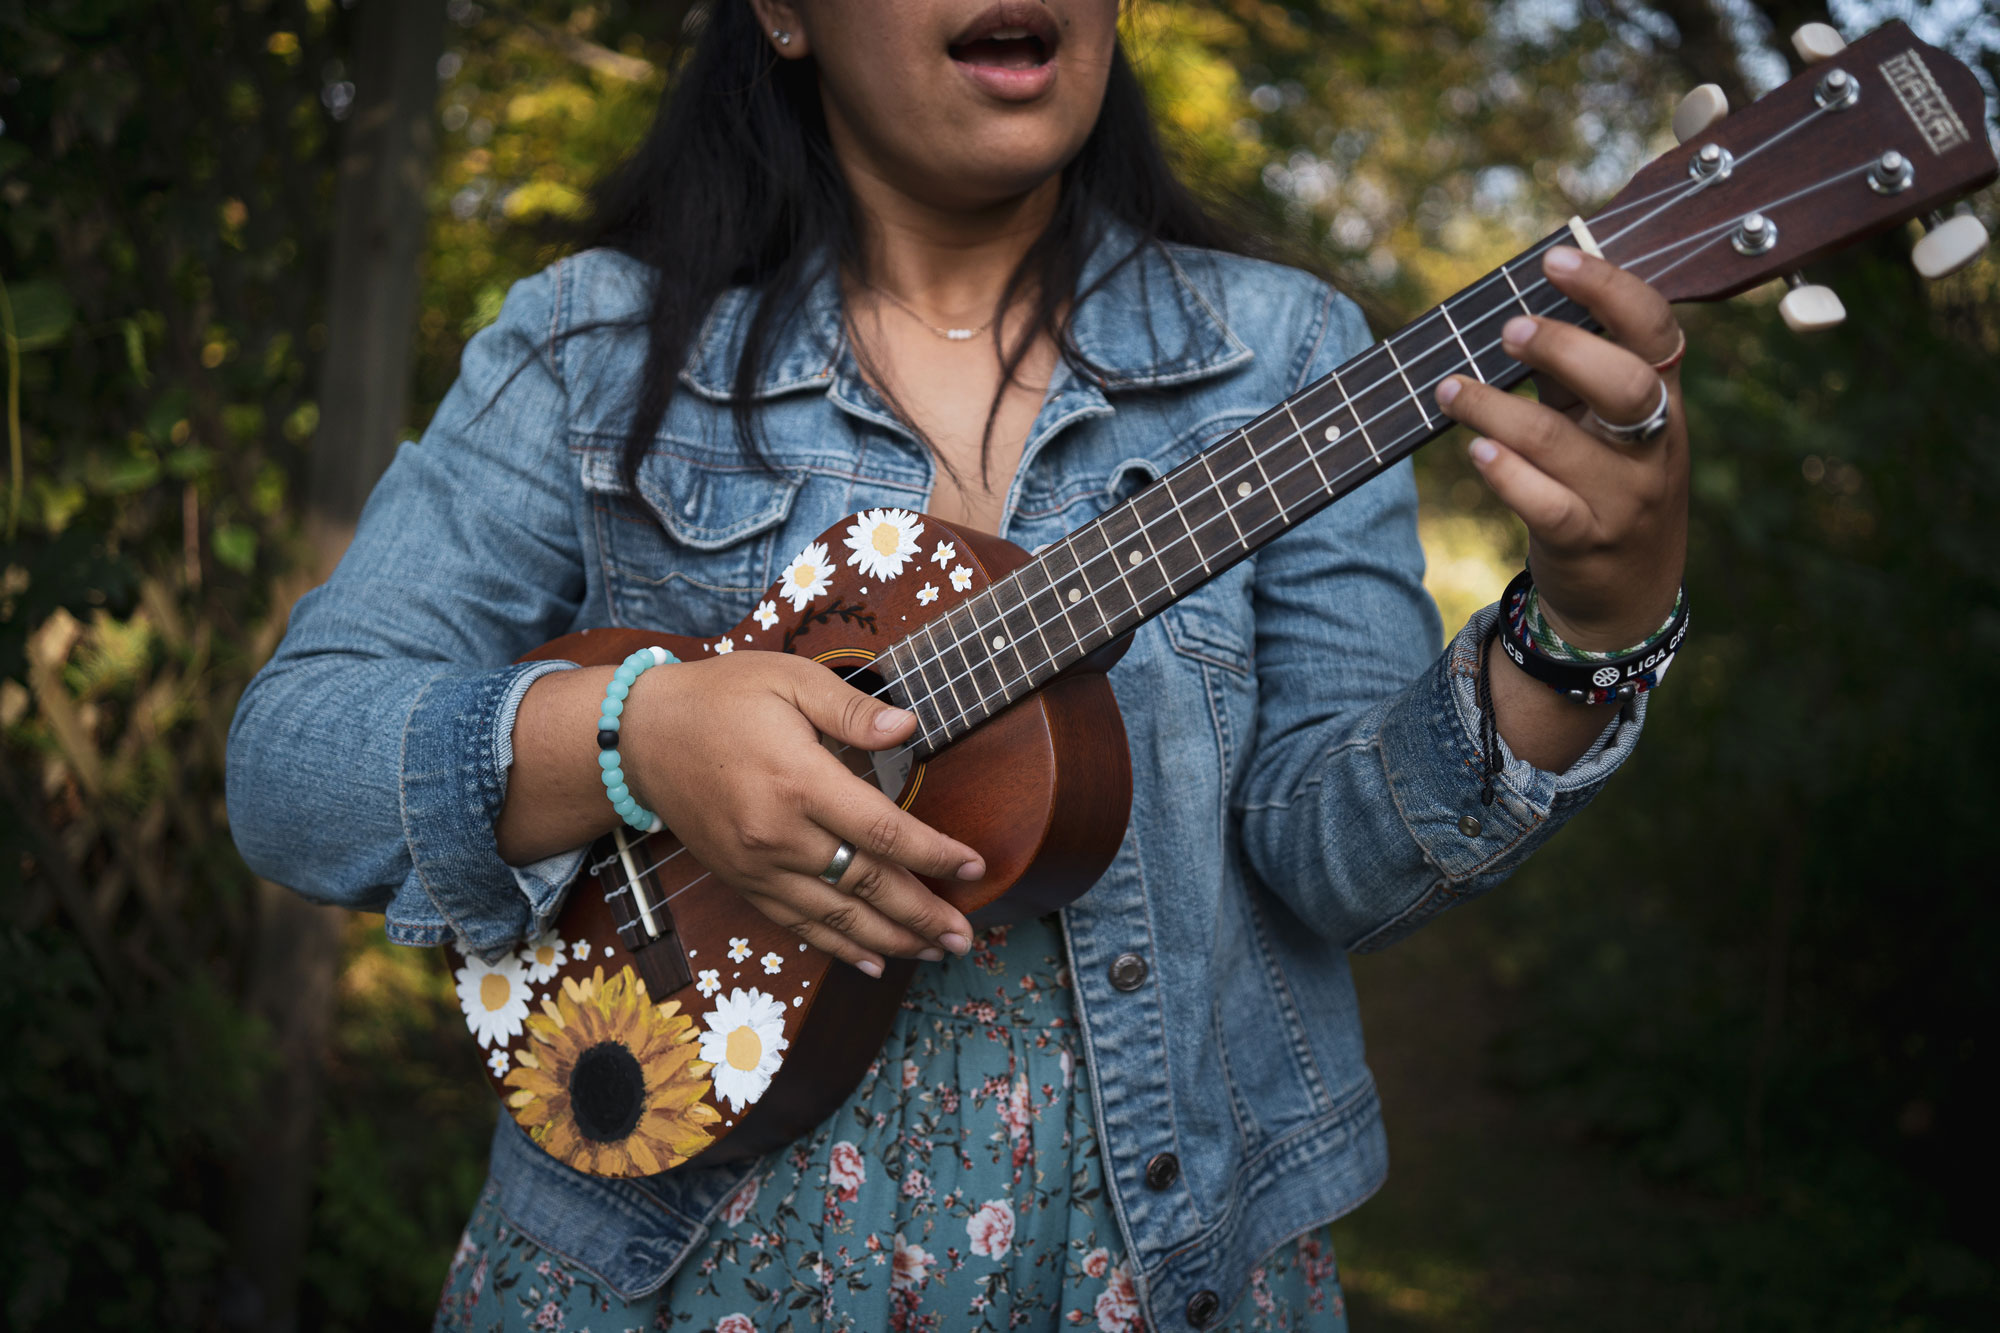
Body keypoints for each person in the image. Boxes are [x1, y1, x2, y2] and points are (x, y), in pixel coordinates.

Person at [228, 0, 1691, 1328]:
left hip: (1156, 1279)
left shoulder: (1287, 357)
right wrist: (638, 733)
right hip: (657, 1278)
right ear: (784, 15)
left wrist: (1587, 633)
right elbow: (294, 763)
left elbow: (1337, 863)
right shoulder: (589, 346)